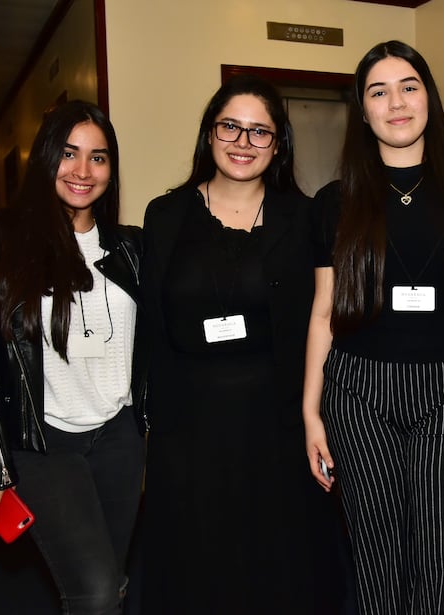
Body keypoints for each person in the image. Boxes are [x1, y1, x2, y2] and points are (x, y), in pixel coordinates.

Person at [303, 40, 444, 614]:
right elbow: (324, 311)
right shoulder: (333, 202)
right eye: (379, 91)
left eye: (409, 87)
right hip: (358, 393)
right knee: (379, 565)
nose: (395, 103)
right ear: (363, 108)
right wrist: (311, 410)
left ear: (430, 98)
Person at [138, 74, 347, 614]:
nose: (242, 142)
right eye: (230, 126)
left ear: (278, 145)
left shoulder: (305, 220)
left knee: (279, 565)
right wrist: (153, 431)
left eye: (260, 132)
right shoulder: (164, 217)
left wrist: (318, 417)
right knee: (201, 566)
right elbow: (154, 335)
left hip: (277, 425)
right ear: (210, 133)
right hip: (192, 428)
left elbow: (325, 321)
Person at [0, 100, 146, 614]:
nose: (83, 171)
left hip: (119, 438)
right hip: (45, 445)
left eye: (98, 158)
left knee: (113, 578)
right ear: (45, 158)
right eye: (69, 153)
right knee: (96, 590)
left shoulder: (130, 249)